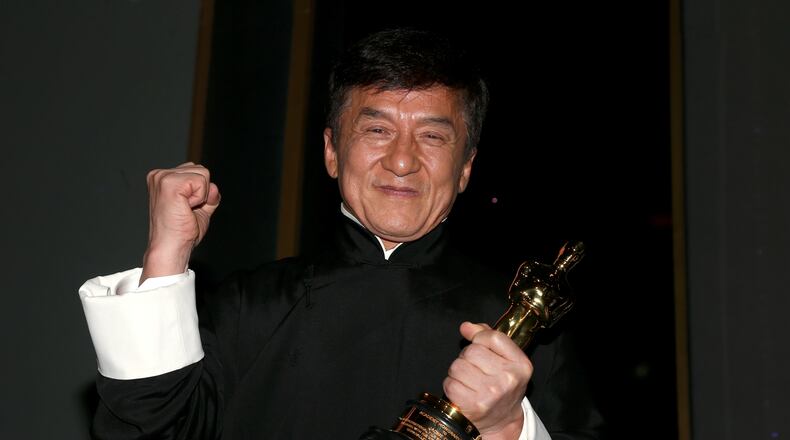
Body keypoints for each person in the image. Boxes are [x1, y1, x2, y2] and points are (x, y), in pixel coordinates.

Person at [79, 28, 603, 439]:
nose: (402, 161)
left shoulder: (523, 332)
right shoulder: (245, 307)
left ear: (465, 167)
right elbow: (147, 429)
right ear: (331, 151)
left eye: (431, 136)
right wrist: (166, 255)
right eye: (377, 129)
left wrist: (509, 428)